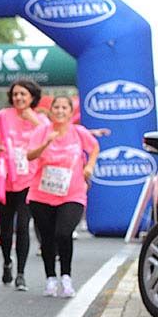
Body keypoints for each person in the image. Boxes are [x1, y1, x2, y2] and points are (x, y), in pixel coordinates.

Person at [0, 79, 48, 291]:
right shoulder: (3, 116)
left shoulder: (41, 119)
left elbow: (51, 137)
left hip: (29, 180)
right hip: (6, 180)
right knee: (6, 230)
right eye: (16, 94)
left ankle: (21, 274)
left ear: (32, 97)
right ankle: (7, 261)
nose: (18, 98)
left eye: (23, 94)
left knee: (22, 227)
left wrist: (33, 120)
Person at [26, 96, 99, 297]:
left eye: (64, 107)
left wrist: (90, 166)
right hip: (41, 194)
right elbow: (29, 155)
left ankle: (66, 277)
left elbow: (94, 148)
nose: (60, 111)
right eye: (56, 107)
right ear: (50, 111)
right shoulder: (41, 132)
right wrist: (46, 143)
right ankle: (51, 278)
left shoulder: (78, 132)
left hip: (72, 193)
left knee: (63, 233)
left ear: (70, 111)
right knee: (47, 238)